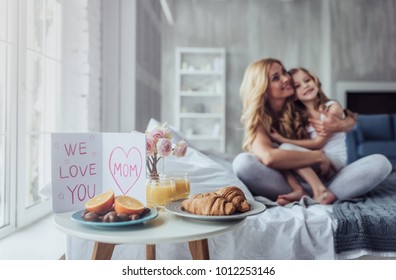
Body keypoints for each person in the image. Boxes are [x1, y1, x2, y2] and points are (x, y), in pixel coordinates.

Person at [232, 58, 392, 204]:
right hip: (290, 183)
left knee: (381, 163)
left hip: (329, 177)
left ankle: (316, 196)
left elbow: (348, 117)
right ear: (263, 89)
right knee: (242, 163)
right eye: (276, 78)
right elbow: (269, 158)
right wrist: (316, 156)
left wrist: (341, 125)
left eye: (284, 72)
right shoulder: (260, 120)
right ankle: (312, 195)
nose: (287, 78)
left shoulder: (299, 106)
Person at [270, 67, 353, 205]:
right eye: (297, 85)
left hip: (334, 161)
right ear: (294, 95)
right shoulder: (301, 117)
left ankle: (321, 191)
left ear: (314, 80)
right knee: (279, 152)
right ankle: (301, 190)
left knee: (285, 148)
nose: (305, 86)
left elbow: (318, 143)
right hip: (318, 159)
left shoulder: (332, 108)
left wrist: (282, 139)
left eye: (307, 80)